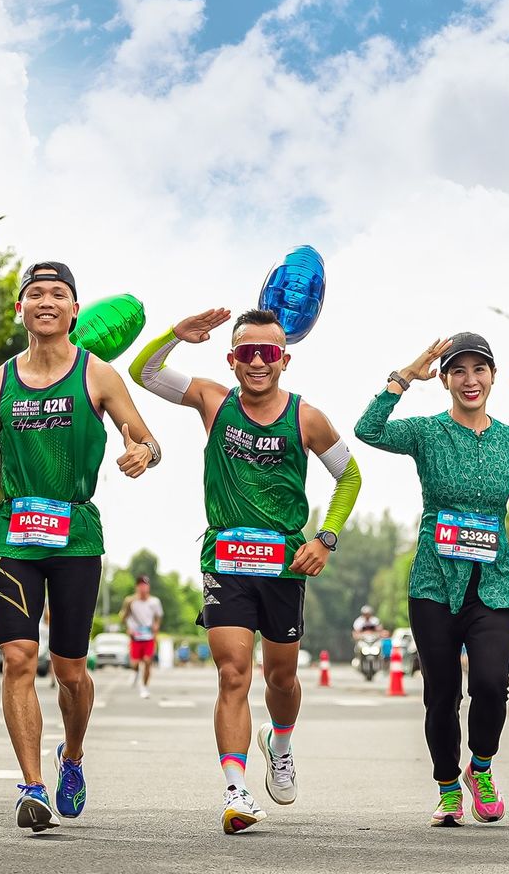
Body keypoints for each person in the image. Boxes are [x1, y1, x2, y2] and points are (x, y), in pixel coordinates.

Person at [0, 262, 161, 832]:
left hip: (75, 539)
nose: (45, 302)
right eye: (34, 294)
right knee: (17, 657)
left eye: (57, 295)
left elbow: (145, 438)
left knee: (70, 669)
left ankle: (72, 756)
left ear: (73, 310)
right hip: (15, 535)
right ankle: (32, 785)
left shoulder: (100, 375)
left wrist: (143, 453)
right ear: (20, 310)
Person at [130, 307, 362, 834]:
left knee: (281, 676)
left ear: (285, 359)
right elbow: (143, 372)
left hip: (285, 567)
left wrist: (325, 539)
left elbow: (349, 477)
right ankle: (236, 791)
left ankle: (279, 742)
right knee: (233, 673)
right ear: (232, 359)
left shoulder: (308, 418)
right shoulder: (214, 400)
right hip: (226, 562)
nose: (258, 362)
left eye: (269, 352)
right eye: (248, 353)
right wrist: (174, 336)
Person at [355, 333, 509, 827]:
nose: (471, 380)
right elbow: (368, 430)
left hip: (493, 581)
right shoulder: (426, 432)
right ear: (444, 379)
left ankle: (480, 768)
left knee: (491, 684)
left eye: (480, 370)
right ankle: (448, 787)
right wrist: (405, 375)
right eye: (459, 371)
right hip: (434, 582)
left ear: (492, 375)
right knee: (442, 693)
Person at [121, 575, 164, 698]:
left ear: (148, 587)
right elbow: (123, 617)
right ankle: (134, 672)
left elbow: (158, 617)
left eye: (145, 585)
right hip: (135, 636)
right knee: (135, 663)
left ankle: (144, 687)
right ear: (137, 587)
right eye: (140, 585)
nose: (143, 587)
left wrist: (156, 627)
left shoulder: (154, 602)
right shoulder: (130, 601)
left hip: (149, 636)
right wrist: (128, 629)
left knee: (147, 661)